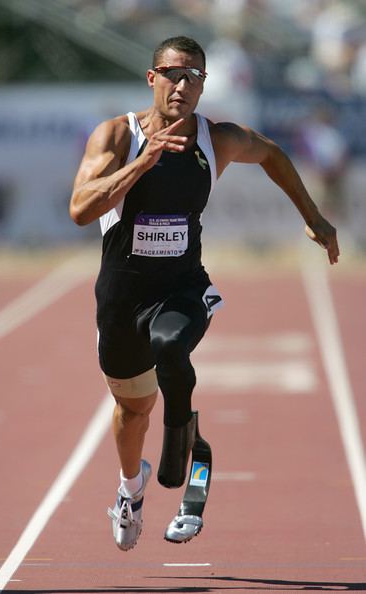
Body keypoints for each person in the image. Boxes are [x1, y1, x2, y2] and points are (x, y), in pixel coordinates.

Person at [69, 36, 339, 552]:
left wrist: (314, 217)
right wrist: (142, 164)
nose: (183, 85)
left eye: (195, 77)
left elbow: (274, 154)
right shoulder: (118, 136)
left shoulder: (218, 139)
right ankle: (131, 489)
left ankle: (185, 453)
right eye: (173, 73)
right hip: (122, 301)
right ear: (152, 77)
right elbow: (80, 210)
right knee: (132, 412)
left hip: (182, 288)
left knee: (172, 344)